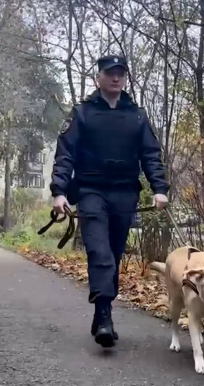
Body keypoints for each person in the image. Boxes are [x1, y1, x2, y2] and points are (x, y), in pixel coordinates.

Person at [49, 54, 170, 348]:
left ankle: (102, 309)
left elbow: (150, 155)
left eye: (121, 73)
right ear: (98, 78)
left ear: (125, 77)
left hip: (124, 193)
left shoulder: (137, 116)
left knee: (114, 254)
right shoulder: (82, 113)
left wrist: (159, 188)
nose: (116, 78)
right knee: (99, 251)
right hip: (91, 191)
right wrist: (59, 192)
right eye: (109, 73)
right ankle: (104, 317)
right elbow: (65, 154)